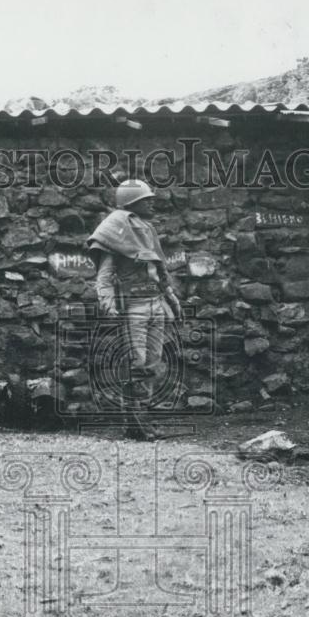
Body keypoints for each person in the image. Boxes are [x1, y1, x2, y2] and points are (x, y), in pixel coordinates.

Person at [85, 180, 182, 436]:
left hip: (155, 304)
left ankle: (144, 420)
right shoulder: (114, 230)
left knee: (153, 363)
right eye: (146, 198)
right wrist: (108, 304)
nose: (152, 202)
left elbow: (160, 270)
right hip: (133, 307)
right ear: (131, 203)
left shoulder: (147, 230)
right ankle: (135, 424)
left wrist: (171, 297)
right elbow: (104, 278)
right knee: (135, 364)